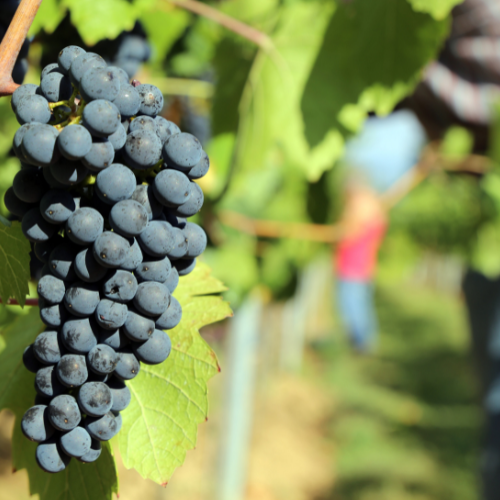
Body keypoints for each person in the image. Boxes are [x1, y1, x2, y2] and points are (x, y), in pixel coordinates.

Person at [335, 110, 426, 352]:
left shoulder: (366, 217)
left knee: (353, 305)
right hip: (357, 269)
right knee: (355, 304)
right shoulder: (369, 215)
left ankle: (364, 344)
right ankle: (363, 342)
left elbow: (355, 226)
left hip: (354, 270)